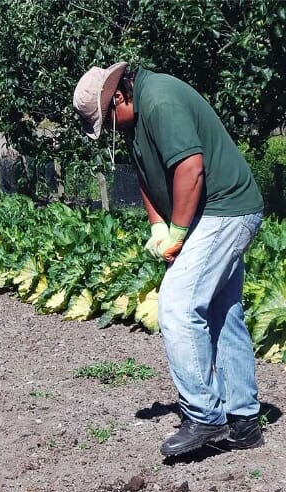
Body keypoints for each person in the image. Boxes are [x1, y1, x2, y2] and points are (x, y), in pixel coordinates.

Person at [73, 62, 265, 457]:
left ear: (119, 98)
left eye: (107, 123)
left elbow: (190, 169)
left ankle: (204, 416)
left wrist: (179, 232)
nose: (110, 132)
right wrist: (158, 226)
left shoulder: (159, 101)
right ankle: (243, 422)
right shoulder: (133, 117)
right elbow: (148, 174)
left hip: (226, 210)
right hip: (209, 213)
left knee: (177, 306)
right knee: (221, 313)